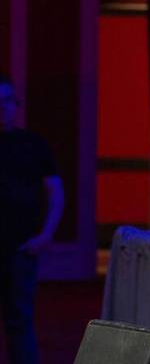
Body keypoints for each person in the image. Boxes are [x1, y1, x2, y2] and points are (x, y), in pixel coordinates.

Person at [0, 75, 64, 364]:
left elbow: (55, 191)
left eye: (7, 102)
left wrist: (46, 235)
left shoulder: (34, 144)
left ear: (16, 105)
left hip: (21, 246)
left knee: (20, 321)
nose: (2, 108)